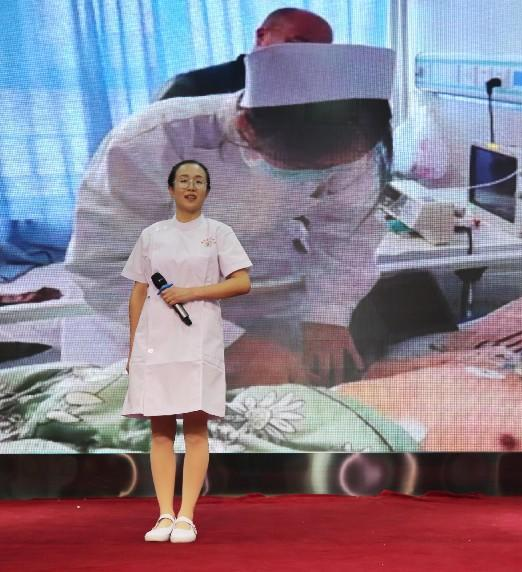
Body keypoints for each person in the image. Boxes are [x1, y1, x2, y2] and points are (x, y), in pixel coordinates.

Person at [65, 43, 395, 386]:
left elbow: (348, 236)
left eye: (331, 169)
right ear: (245, 126)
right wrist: (226, 342)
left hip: (265, 286)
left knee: (289, 400)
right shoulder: (149, 144)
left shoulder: (354, 146)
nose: (320, 178)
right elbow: (106, 267)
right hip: (152, 296)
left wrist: (327, 316)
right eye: (299, 167)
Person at [123, 160, 252, 543]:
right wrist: (132, 348)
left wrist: (190, 292)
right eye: (184, 180)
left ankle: (187, 516)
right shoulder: (151, 235)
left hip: (197, 339)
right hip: (155, 340)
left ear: (207, 191)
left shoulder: (219, 233)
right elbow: (139, 291)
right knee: (160, 430)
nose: (191, 186)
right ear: (171, 189)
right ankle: (164, 514)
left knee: (195, 429)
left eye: (198, 181)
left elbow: (242, 282)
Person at [156, 7, 333, 100]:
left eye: (319, 53)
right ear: (262, 36)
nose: (308, 57)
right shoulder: (193, 87)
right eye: (297, 44)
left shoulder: (322, 97)